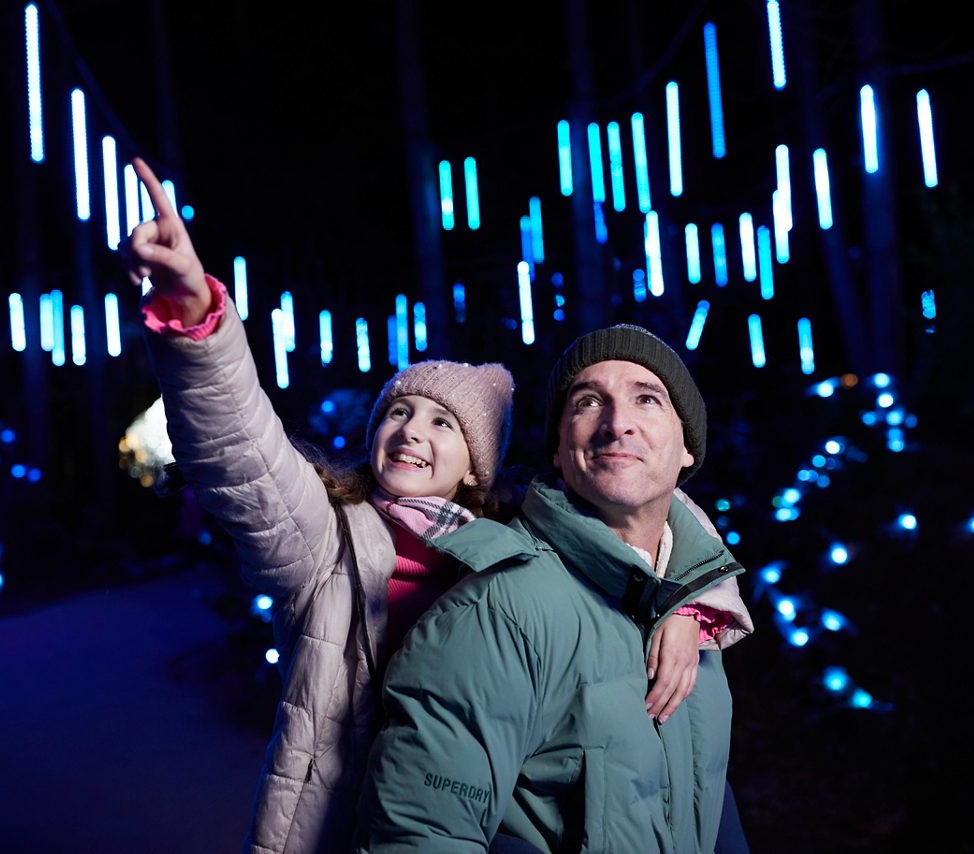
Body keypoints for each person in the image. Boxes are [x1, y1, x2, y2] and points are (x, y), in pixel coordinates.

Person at [125, 156, 746, 853]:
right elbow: (242, 451)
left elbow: (641, 515)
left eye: (442, 422)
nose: (412, 430)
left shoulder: (515, 531)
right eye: (397, 411)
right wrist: (195, 317)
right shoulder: (327, 540)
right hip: (348, 822)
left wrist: (690, 605)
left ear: (477, 464)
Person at [355, 323, 754, 852]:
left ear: (687, 450)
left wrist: (687, 607)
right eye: (589, 402)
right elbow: (420, 834)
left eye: (648, 400)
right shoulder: (498, 611)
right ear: (560, 452)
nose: (618, 425)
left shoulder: (696, 611)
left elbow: (702, 794)